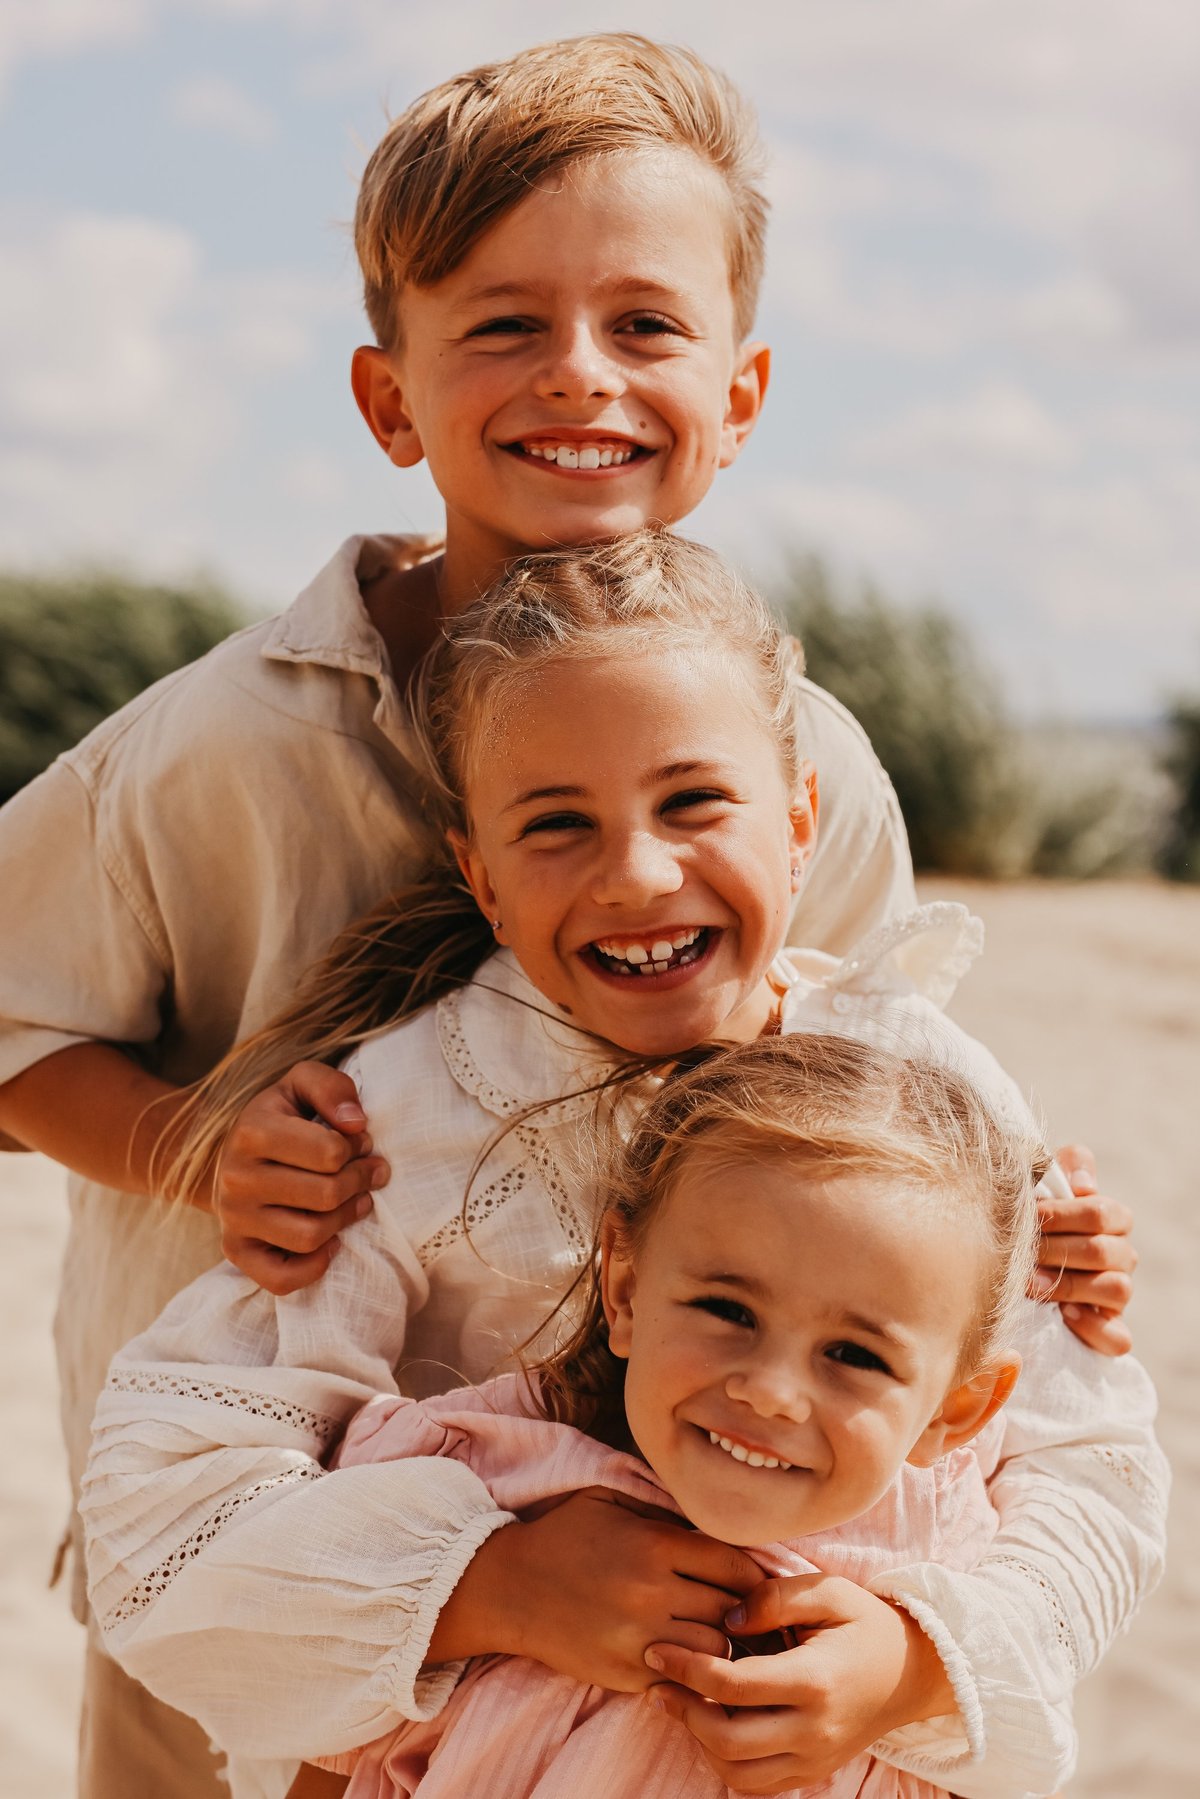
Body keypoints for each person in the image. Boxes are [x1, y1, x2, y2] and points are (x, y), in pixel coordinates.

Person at [0, 37, 937, 1798]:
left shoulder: (806, 773)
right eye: (505, 324)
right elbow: (12, 1024)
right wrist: (198, 1146)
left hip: (659, 1608)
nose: (579, 371)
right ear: (390, 400)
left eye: (645, 323)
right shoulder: (222, 743)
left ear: (739, 395)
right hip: (241, 1567)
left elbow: (885, 1136)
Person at [83, 536, 1165, 1799]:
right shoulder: (394, 1123)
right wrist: (492, 1584)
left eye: (694, 802)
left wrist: (914, 1669)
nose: (640, 873)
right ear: (482, 876)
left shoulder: (935, 1095)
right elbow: (161, 1514)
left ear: (800, 823)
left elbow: (1088, 1468)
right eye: (557, 823)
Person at [293, 1030, 1047, 1799]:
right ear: (624, 1287)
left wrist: (910, 1675)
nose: (770, 1391)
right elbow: (329, 1742)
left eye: (854, 1355)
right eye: (728, 1309)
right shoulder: (484, 1480)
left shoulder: (942, 1579)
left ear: (954, 1410)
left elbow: (1028, 1719)